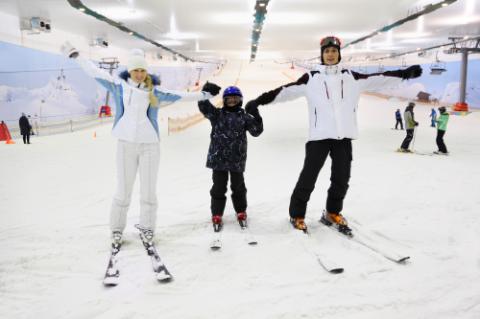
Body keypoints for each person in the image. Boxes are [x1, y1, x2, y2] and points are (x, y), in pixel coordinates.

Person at [245, 36, 422, 233]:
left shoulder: (351, 77)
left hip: (343, 138)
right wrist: (259, 101)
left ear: (339, 54)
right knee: (308, 178)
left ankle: (332, 212)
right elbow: (285, 91)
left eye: (334, 51)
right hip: (319, 137)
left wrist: (404, 74)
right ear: (322, 55)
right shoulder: (311, 78)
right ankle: (297, 215)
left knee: (341, 178)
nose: (330, 55)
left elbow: (378, 79)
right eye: (327, 51)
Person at [61, 42, 220, 244]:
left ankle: (147, 228)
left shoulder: (154, 92)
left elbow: (181, 95)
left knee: (148, 192)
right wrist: (76, 55)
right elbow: (94, 72)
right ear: (130, 71)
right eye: (135, 70)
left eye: (142, 70)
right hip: (126, 144)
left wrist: (205, 94)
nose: (138, 74)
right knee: (123, 191)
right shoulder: (119, 86)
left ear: (146, 72)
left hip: (150, 146)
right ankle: (117, 230)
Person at [198, 84, 263, 230]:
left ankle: (241, 211)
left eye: (235, 98)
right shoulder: (217, 115)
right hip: (218, 158)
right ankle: (217, 213)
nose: (232, 101)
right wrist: (205, 92)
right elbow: (203, 106)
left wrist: (256, 114)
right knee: (218, 187)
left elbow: (256, 131)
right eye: (229, 98)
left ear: (240, 100)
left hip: (237, 159)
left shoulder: (244, 117)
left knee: (238, 187)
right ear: (224, 100)